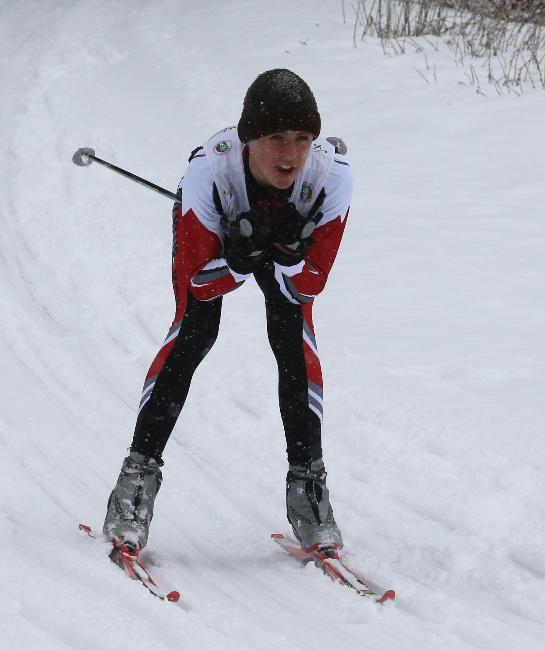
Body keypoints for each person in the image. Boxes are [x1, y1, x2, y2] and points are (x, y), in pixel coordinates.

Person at [103, 69, 354, 553]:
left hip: (282, 246)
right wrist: (239, 260)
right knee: (195, 332)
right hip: (219, 239)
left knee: (293, 338)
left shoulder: (333, 176)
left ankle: (308, 489)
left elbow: (311, 284)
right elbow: (199, 285)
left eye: (303, 139)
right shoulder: (209, 173)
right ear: (249, 138)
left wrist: (287, 255)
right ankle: (135, 481)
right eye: (276, 138)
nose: (291, 154)